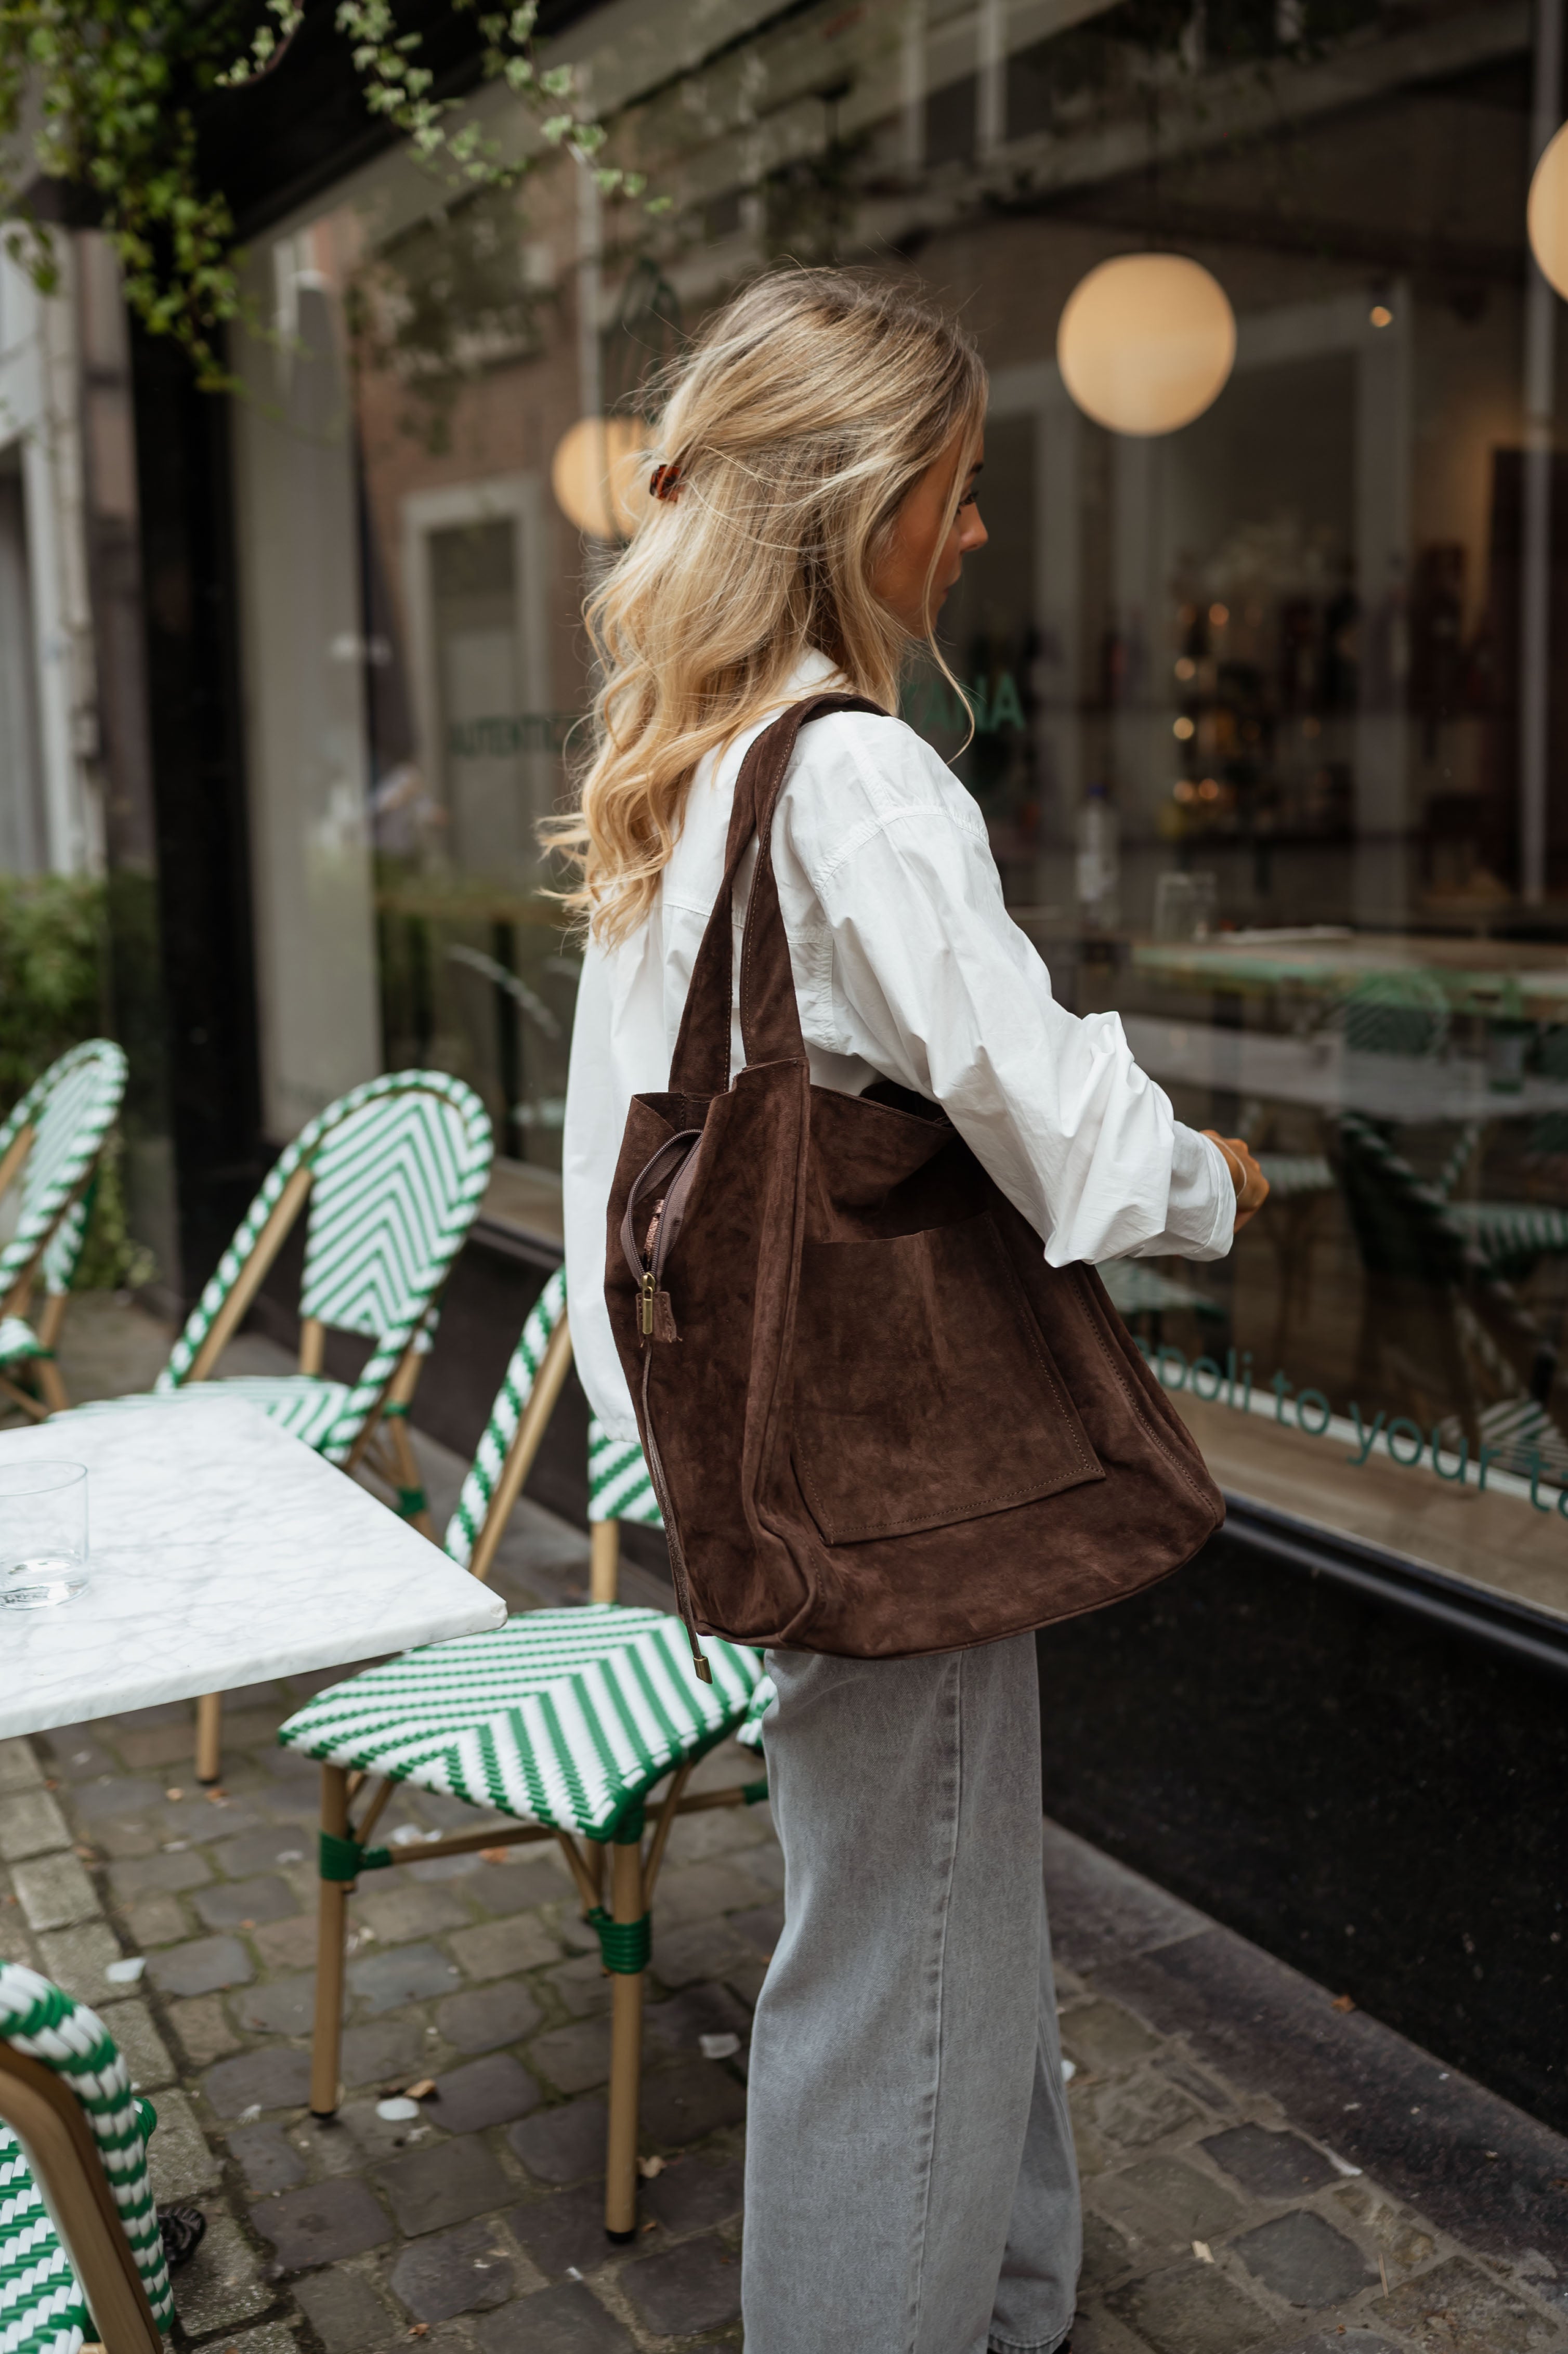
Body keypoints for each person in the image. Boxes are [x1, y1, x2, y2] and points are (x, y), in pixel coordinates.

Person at [557, 268, 1267, 2354]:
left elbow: (635, 1148)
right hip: (883, 1471)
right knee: (892, 1957)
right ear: (867, 503)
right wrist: (1205, 1181)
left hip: (776, 1444)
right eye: (953, 490)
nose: (969, 535)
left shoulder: (689, 764)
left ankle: (1012, 2298)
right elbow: (1051, 1125)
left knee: (938, 1902)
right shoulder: (850, 778)